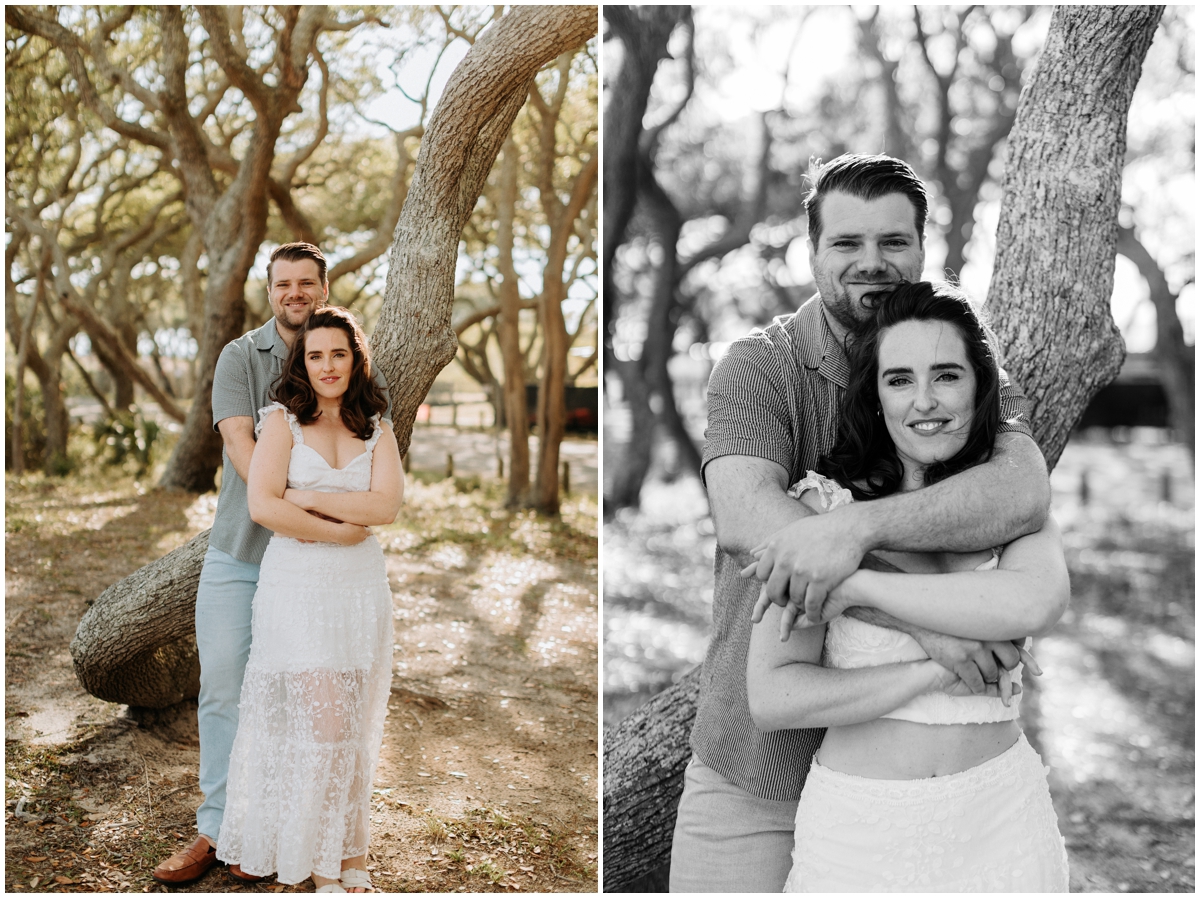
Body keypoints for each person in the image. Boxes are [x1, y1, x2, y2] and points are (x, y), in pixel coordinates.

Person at [668, 154, 1052, 893]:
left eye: (893, 242)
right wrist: (929, 630)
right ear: (812, 252)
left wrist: (854, 529)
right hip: (760, 767)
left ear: (921, 249)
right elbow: (750, 520)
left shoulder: (960, 362)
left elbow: (1022, 492)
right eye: (847, 244)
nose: (872, 263)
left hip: (928, 776)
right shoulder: (758, 368)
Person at [744, 280, 1069, 891]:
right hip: (861, 830)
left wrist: (860, 586)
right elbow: (772, 697)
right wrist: (933, 669)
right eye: (899, 380)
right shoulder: (822, 508)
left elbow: (1037, 600)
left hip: (1004, 818)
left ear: (981, 384)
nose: (925, 401)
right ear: (876, 396)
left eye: (947, 375)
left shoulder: (1012, 505)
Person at [152, 244, 389, 887]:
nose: (295, 294)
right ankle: (216, 830)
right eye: (283, 284)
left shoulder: (346, 355)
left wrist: (327, 532)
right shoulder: (238, 357)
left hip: (322, 580)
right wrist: (320, 520)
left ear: (323, 288)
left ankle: (284, 835)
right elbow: (242, 451)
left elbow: (376, 462)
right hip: (242, 556)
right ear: (270, 290)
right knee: (227, 688)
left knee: (308, 703)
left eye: (306, 283)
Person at [215, 306, 402, 892]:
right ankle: (315, 862)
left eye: (338, 355)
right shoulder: (281, 424)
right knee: (324, 728)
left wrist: (308, 498)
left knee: (352, 726)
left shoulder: (376, 426)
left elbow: (387, 507)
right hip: (298, 590)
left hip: (359, 593)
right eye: (316, 355)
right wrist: (340, 528)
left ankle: (350, 857)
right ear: (303, 362)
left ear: (355, 361)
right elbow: (264, 506)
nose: (327, 366)